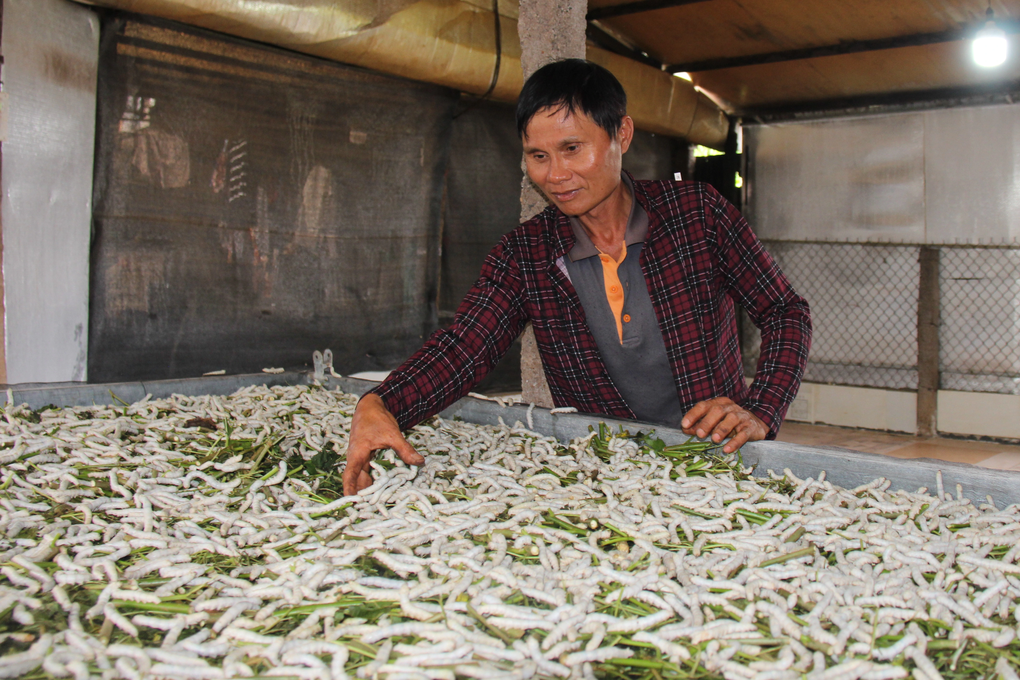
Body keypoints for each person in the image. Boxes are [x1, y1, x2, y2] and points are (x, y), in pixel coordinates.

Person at [342, 59, 811, 496]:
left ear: (621, 134)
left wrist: (760, 409)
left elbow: (786, 312)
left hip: (718, 463)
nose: (556, 174)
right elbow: (467, 345)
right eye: (538, 155)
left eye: (571, 148)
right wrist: (382, 403)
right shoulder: (526, 255)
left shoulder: (697, 215)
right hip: (607, 474)